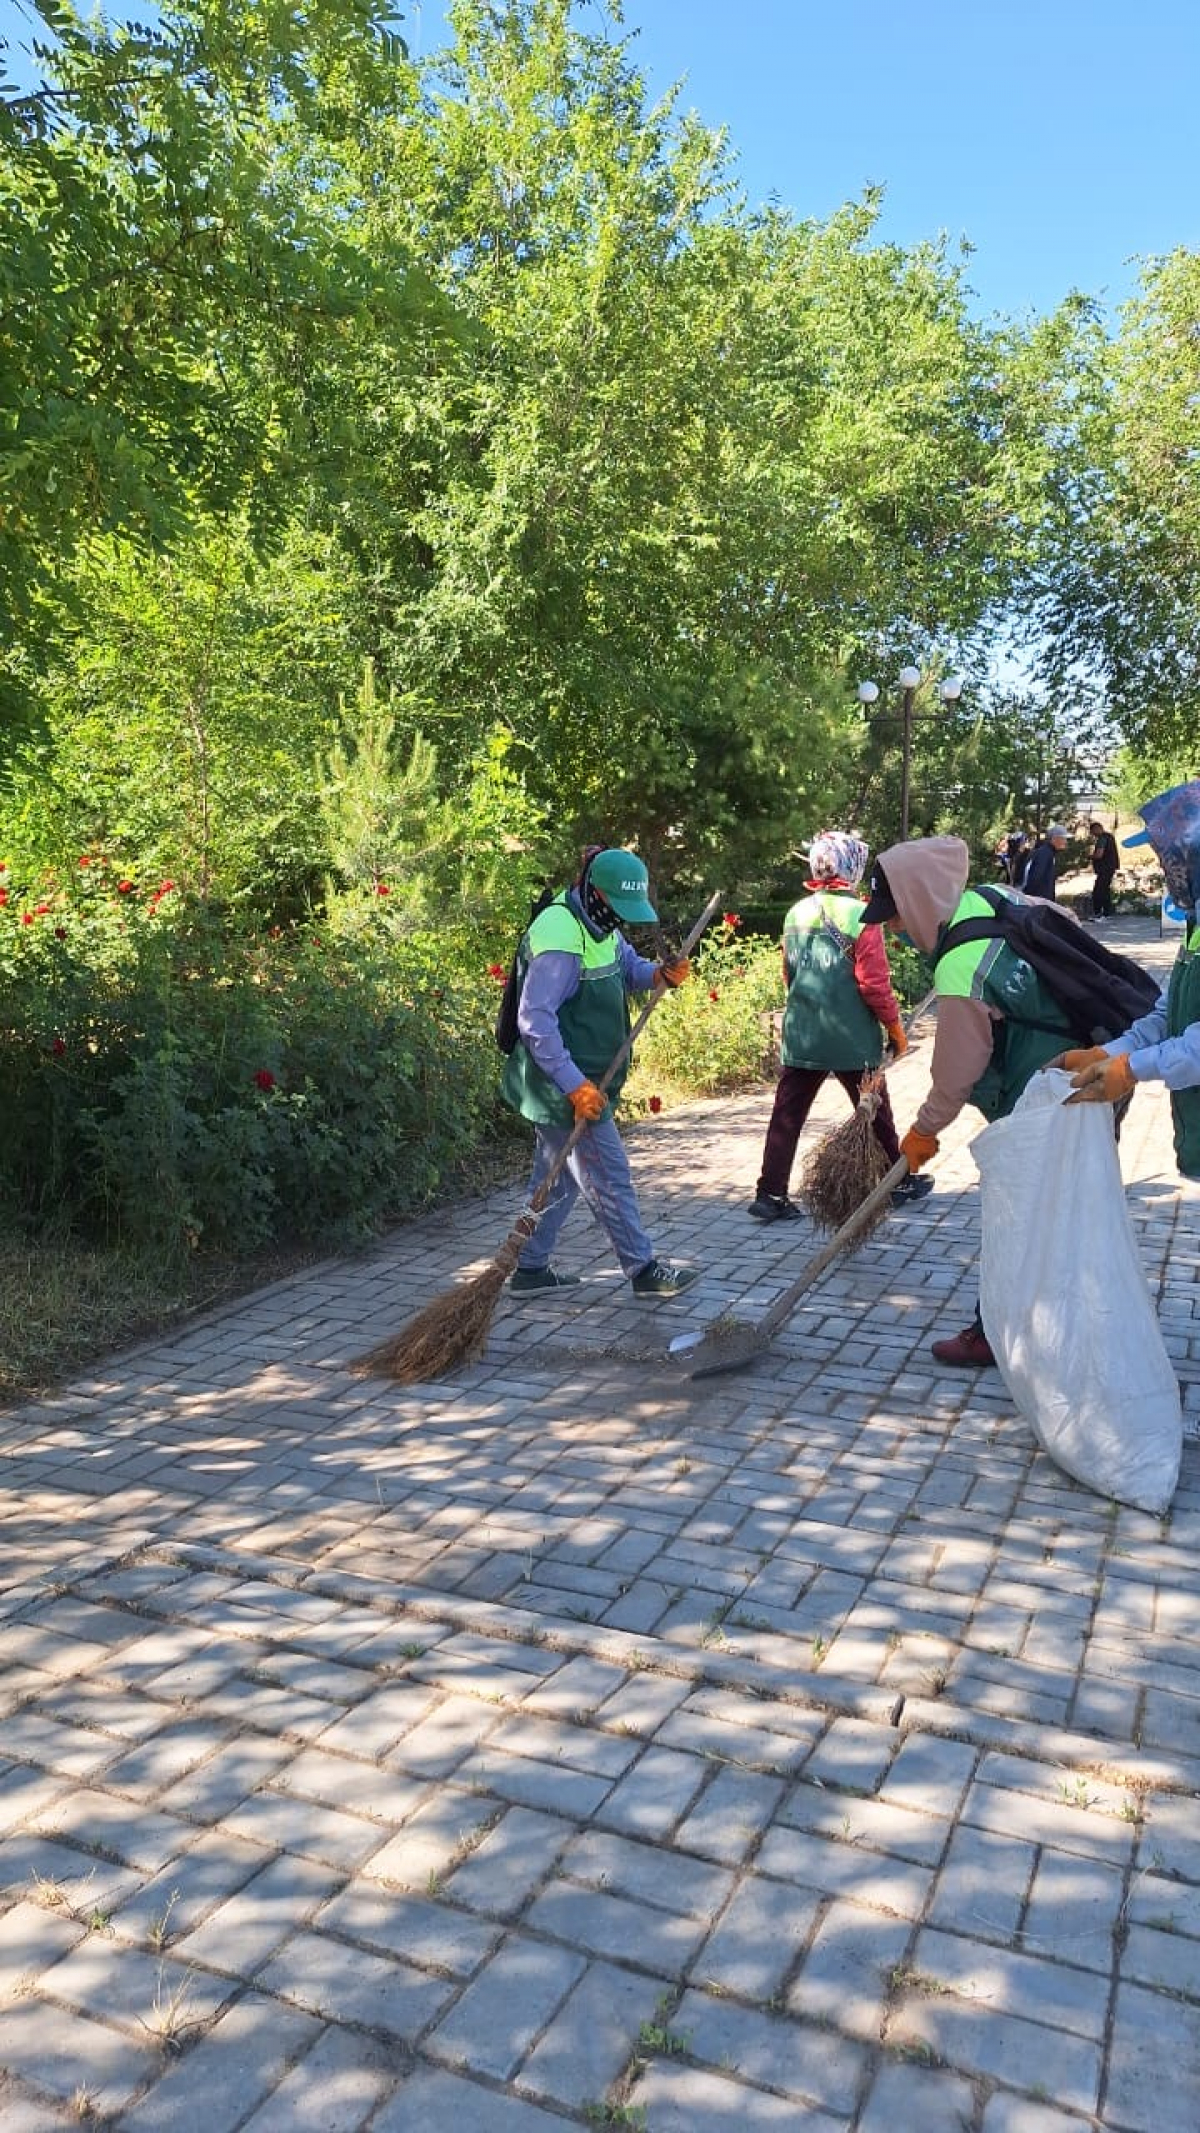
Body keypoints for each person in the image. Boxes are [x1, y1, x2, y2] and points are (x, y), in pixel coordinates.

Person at [860, 835, 1079, 1367]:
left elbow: (956, 1072)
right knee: (1061, 1210)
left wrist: (923, 1132)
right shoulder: (994, 899)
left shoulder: (961, 962)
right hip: (1087, 1067)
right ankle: (1058, 1327)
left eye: (895, 916)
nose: (893, 928)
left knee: (1016, 1213)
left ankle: (996, 1333)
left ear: (919, 898)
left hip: (1045, 1090)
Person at [501, 846, 700, 1298]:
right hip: (560, 1084)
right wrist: (575, 1088)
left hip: (581, 1080)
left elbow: (626, 967)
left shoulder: (599, 923)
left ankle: (529, 1269)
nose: (622, 920)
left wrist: (656, 976)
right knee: (607, 1174)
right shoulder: (559, 934)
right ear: (593, 892)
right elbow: (535, 1022)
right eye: (619, 908)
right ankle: (644, 1270)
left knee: (557, 1178)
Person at [748, 830, 933, 1222]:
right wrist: (896, 1029)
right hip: (851, 1038)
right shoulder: (863, 916)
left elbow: (789, 974)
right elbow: (874, 984)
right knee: (874, 1108)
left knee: (786, 1115)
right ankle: (895, 1182)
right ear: (852, 868)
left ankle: (770, 1193)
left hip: (803, 1035)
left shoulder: (795, 912)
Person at [1065, 782, 1200, 1174]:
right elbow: (1169, 1012)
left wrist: (1131, 1069)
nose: (1164, 870)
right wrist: (1110, 1053)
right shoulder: (1194, 924)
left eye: (1168, 859)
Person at [1021, 824, 1069, 901]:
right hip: (1038, 902)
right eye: (1064, 838)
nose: (1066, 841)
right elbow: (1035, 877)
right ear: (1054, 839)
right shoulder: (1045, 853)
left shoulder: (1048, 852)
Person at [1088, 820, 1119, 921]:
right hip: (1110, 867)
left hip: (1104, 868)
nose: (1093, 834)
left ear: (1097, 829)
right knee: (1105, 890)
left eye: (1093, 832)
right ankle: (1107, 912)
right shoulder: (1109, 836)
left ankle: (1098, 913)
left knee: (1098, 891)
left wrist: (1090, 856)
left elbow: (1099, 854)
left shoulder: (1102, 839)